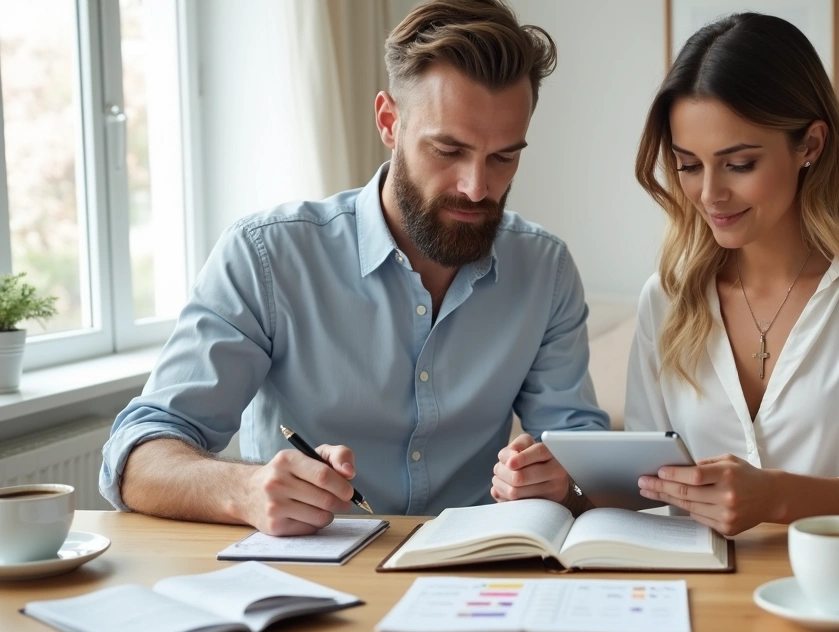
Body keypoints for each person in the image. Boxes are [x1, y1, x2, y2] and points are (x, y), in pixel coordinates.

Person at [100, 0, 606, 536]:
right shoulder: (266, 256)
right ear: (389, 121)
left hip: (473, 567)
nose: (477, 187)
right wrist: (245, 490)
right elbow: (136, 457)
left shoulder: (545, 269)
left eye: (503, 157)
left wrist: (564, 485)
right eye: (447, 150)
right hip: (311, 571)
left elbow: (587, 469)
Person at [626, 13, 839, 535]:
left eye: (739, 164)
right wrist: (568, 487)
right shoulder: (666, 297)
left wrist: (774, 497)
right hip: (694, 577)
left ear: (810, 144)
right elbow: (642, 480)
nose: (710, 194)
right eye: (689, 165)